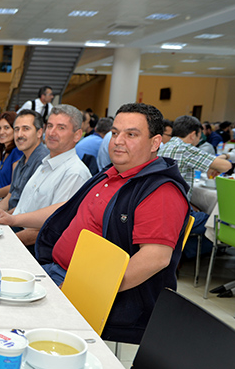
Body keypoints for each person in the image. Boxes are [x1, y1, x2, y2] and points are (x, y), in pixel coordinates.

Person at [14, 103, 190, 344]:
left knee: (7, 324)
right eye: (115, 133)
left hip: (97, 299)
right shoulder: (111, 173)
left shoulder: (160, 191)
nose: (118, 141)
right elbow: (66, 209)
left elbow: (156, 258)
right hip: (56, 271)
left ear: (155, 143)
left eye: (131, 134)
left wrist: (83, 291)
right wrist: (14, 220)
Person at [0, 104, 91, 246]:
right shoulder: (46, 163)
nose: (52, 132)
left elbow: (51, 227)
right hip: (16, 231)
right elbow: (24, 208)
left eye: (61, 128)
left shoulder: (74, 173)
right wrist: (1, 218)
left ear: (77, 135)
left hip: (33, 246)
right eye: (50, 126)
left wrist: (6, 242)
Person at [157, 115, 232, 259]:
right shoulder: (185, 148)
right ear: (193, 135)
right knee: (216, 223)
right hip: (176, 214)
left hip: (163, 208)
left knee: (201, 211)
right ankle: (184, 253)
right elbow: (226, 166)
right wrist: (226, 157)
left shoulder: (166, 146)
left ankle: (180, 251)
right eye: (199, 135)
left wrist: (212, 165)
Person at [0, 109, 50, 213]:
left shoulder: (43, 162)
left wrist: (4, 217)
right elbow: (10, 196)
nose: (19, 135)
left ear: (39, 132)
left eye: (26, 129)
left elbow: (30, 207)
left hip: (21, 220)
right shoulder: (22, 159)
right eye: (16, 129)